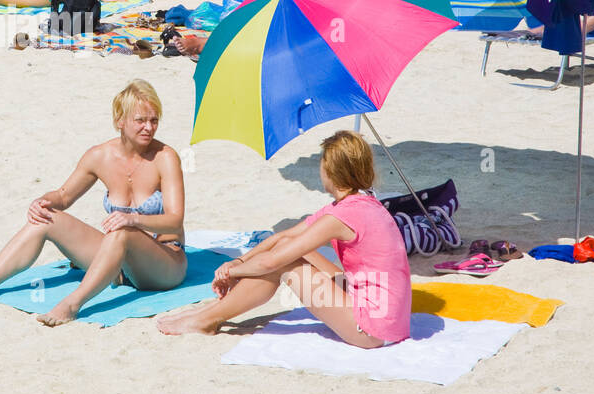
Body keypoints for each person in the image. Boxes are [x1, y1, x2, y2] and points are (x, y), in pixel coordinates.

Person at [0, 81, 186, 326]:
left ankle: (72, 304)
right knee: (47, 218)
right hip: (120, 268)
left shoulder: (165, 157)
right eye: (140, 120)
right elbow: (64, 196)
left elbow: (175, 219)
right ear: (119, 120)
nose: (149, 127)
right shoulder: (99, 156)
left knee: (122, 233)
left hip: (164, 265)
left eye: (154, 120)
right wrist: (43, 201)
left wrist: (133, 219)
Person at [157, 130, 411, 346]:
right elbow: (284, 237)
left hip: (373, 328)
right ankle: (209, 312)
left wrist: (232, 273)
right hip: (388, 316)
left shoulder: (342, 216)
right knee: (288, 248)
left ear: (331, 171)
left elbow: (271, 263)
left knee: (285, 263)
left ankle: (206, 319)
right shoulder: (357, 203)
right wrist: (238, 262)